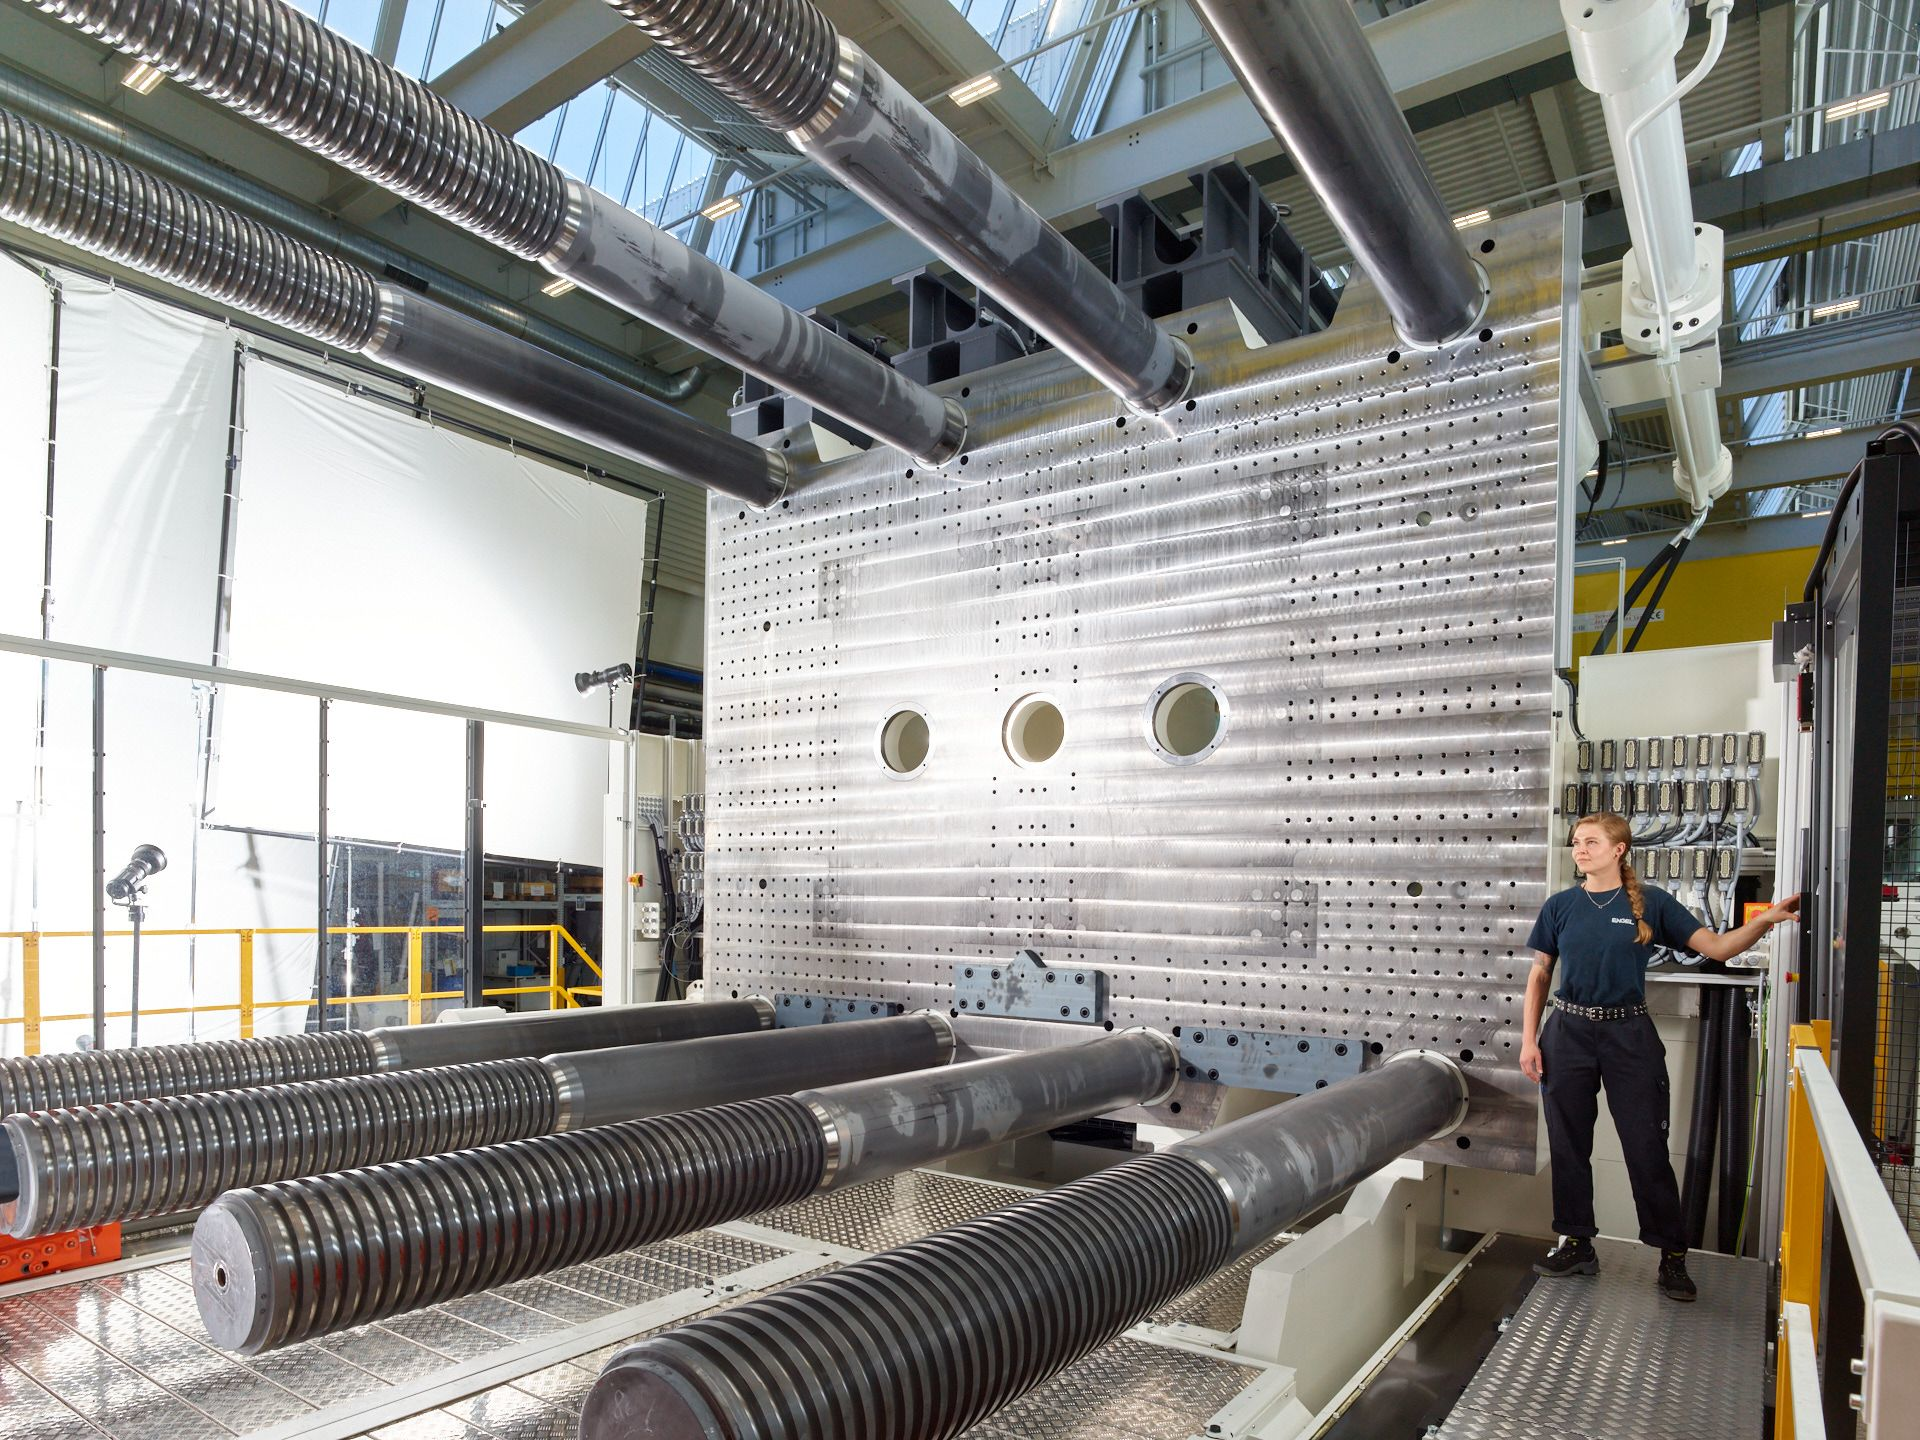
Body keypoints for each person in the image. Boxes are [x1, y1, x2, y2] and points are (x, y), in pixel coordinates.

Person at [1519, 812, 1799, 1301]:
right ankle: (1577, 1242)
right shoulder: (1560, 906)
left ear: (1619, 849)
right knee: (1567, 1143)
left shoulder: (1653, 904)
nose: (1579, 850)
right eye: (1576, 843)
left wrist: (1766, 922)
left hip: (1629, 1035)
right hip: (1566, 1033)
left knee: (1646, 1148)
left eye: (1590, 842)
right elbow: (1540, 975)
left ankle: (1671, 1256)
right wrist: (1528, 1039)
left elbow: (1718, 948)